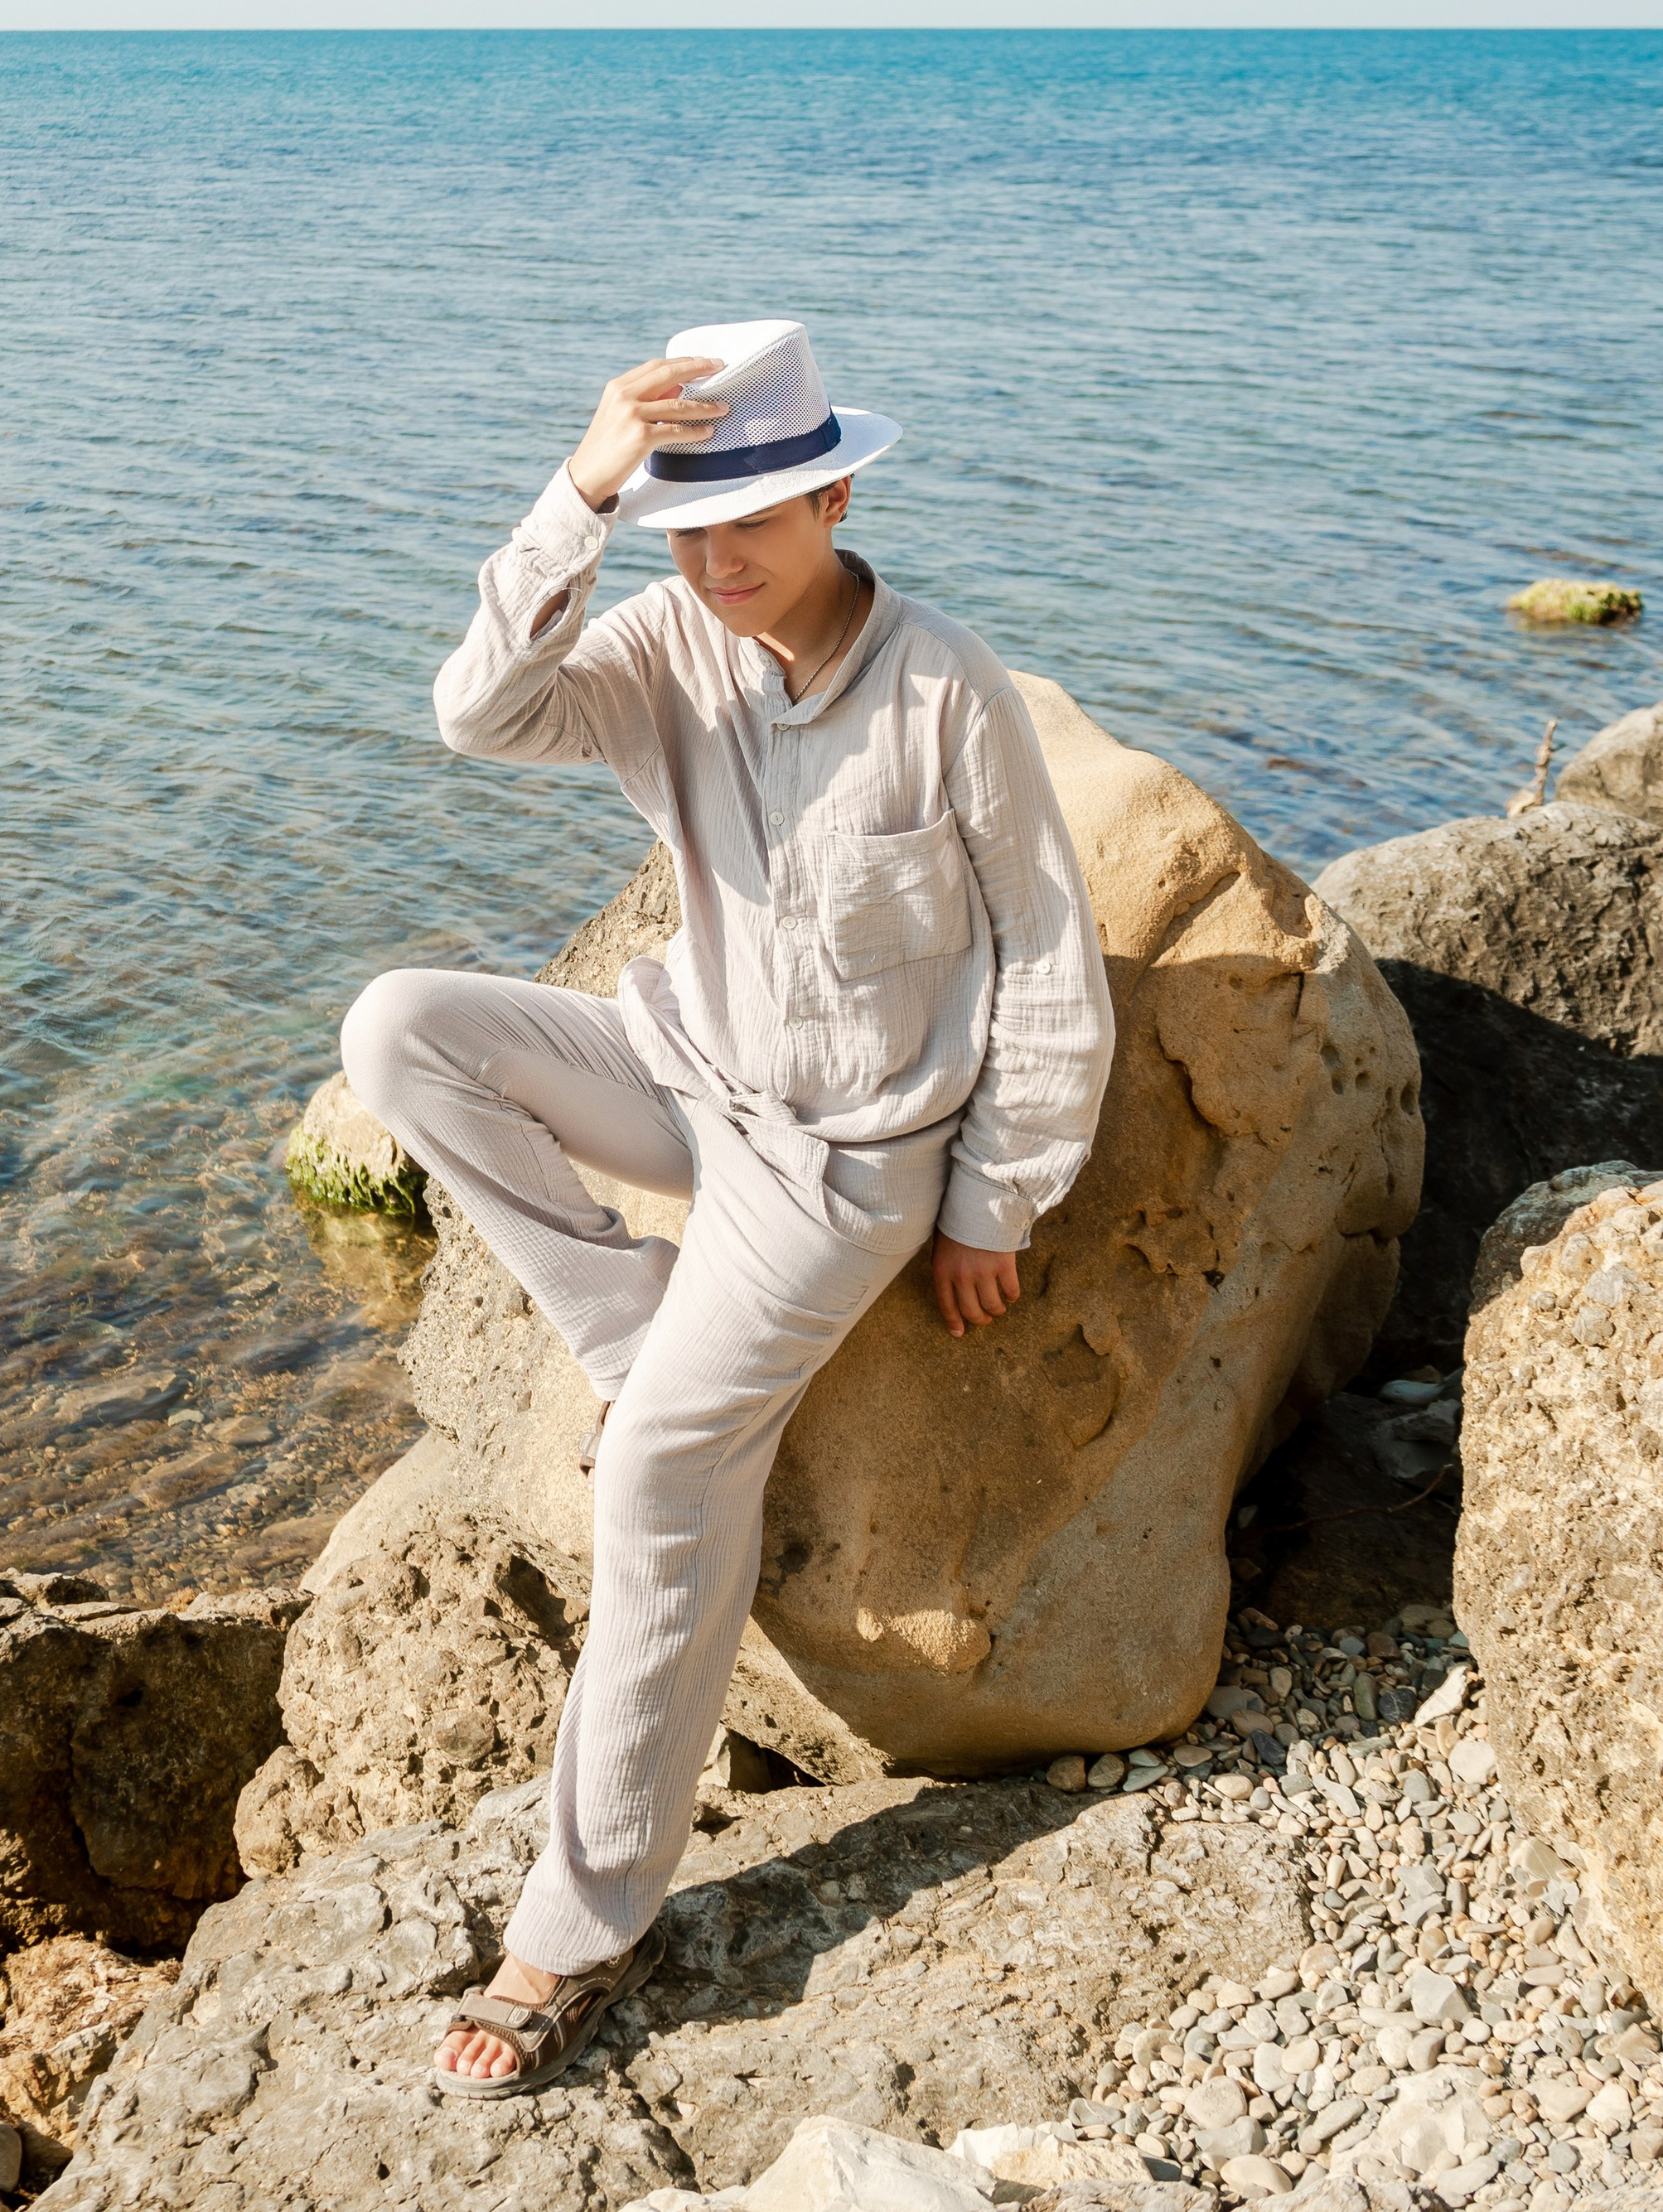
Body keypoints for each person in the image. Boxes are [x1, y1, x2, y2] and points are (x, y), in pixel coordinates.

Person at [341, 317, 1114, 2099]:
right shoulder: (665, 632)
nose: (718, 555)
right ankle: (623, 1321)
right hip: (681, 1077)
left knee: (662, 1478)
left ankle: (578, 1926)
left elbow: (1048, 968)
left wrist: (992, 1202)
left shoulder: (943, 691)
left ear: (835, 491)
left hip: (842, 1167)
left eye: (752, 515)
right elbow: (479, 713)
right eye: (689, 521)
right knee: (399, 1030)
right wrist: (582, 489)